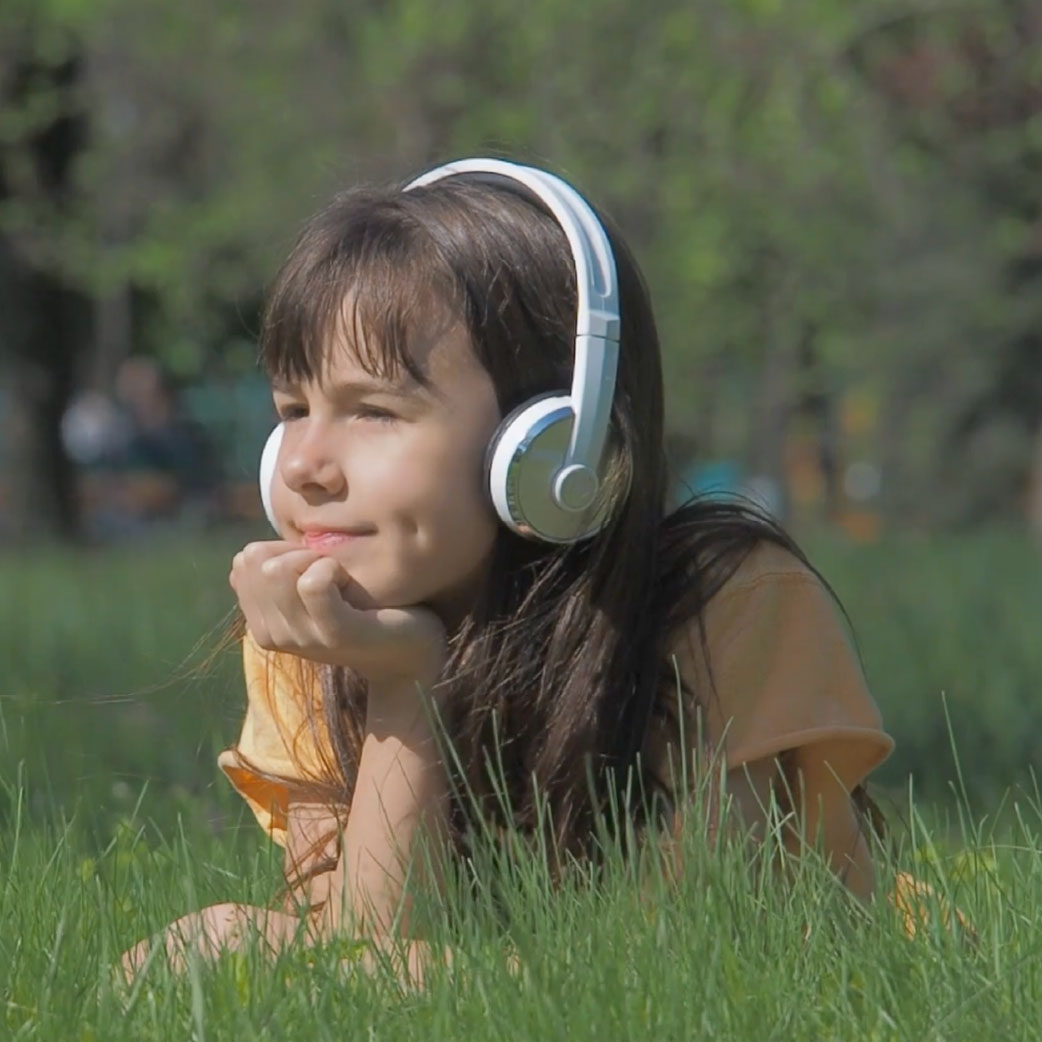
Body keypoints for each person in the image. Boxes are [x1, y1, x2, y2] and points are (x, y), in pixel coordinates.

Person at [121, 159, 896, 982]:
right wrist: (401, 681)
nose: (305, 464)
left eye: (374, 411)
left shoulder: (729, 602)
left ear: (554, 446)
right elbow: (350, 974)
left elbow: (671, 983)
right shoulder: (315, 622)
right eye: (292, 410)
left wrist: (265, 945)